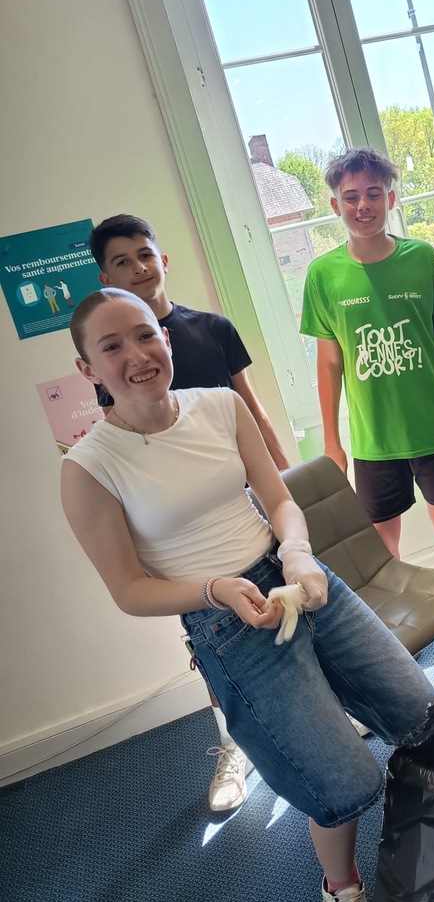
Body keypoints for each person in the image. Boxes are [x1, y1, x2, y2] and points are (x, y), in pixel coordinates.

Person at [60, 288, 434, 902]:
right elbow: (129, 589)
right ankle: (343, 895)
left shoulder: (220, 406)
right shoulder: (89, 467)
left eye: (145, 335)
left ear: (165, 336)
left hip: (298, 578)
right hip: (225, 620)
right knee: (344, 781)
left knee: (427, 718)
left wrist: (297, 552)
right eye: (111, 347)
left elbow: (280, 499)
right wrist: (215, 589)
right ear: (87, 369)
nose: (137, 355)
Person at [89, 214, 291, 813]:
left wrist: (286, 482)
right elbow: (122, 440)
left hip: (243, 497)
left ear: (163, 259)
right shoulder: (113, 355)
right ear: (106, 277)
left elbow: (250, 409)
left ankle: (319, 712)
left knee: (290, 605)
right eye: (121, 262)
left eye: (144, 254)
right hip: (186, 536)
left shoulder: (212, 329)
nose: (137, 268)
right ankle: (233, 745)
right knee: (213, 639)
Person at [300, 148, 434, 689]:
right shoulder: (323, 274)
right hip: (374, 438)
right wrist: (333, 441)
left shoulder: (422, 259)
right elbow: (329, 362)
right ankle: (386, 639)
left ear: (390, 197)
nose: (362, 205)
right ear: (335, 204)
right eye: (350, 197)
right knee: (378, 543)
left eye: (373, 194)